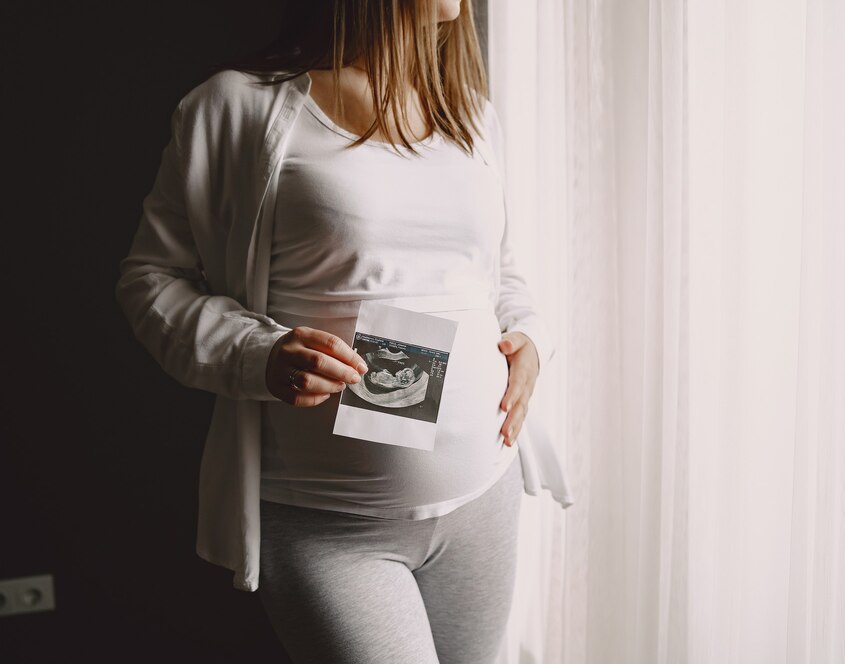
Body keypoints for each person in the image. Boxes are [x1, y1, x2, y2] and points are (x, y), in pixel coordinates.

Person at [115, 0, 574, 662]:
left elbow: (499, 276)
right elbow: (150, 280)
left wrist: (529, 338)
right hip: (330, 525)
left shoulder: (470, 117)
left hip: (483, 499)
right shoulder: (237, 108)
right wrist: (257, 353)